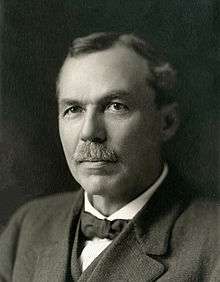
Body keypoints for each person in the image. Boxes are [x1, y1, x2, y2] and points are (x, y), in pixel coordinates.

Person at [0, 32, 218, 281]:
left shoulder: (214, 241)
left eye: (116, 106)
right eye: (73, 109)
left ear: (166, 122)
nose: (90, 132)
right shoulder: (27, 225)